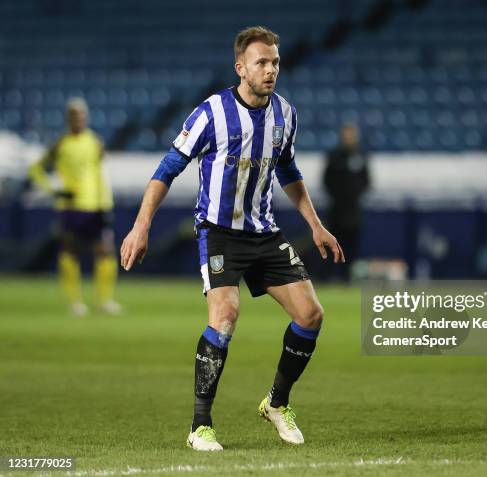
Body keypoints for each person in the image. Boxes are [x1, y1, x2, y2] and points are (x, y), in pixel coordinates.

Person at [120, 26, 344, 451]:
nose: (271, 69)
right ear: (240, 67)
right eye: (262, 62)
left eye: (275, 61)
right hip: (220, 233)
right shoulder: (210, 114)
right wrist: (141, 224)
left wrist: (315, 224)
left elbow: (289, 172)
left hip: (264, 232)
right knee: (225, 315)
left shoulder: (285, 115)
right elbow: (168, 168)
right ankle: (200, 426)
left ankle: (277, 403)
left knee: (312, 315)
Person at [29, 98, 120, 316]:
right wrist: (53, 191)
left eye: (81, 115)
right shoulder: (60, 144)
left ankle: (105, 300)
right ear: (68, 118)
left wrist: (106, 203)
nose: (78, 119)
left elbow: (100, 175)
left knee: (105, 250)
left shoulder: (95, 143)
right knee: (71, 251)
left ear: (85, 117)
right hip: (71, 206)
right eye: (73, 115)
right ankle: (75, 301)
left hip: (95, 205)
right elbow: (36, 170)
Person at [323, 124, 370, 281]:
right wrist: (338, 195)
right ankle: (331, 276)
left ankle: (348, 277)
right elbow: (326, 180)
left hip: (354, 210)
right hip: (337, 209)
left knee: (352, 245)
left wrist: (354, 195)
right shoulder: (334, 156)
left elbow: (366, 180)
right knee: (333, 242)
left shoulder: (361, 155)